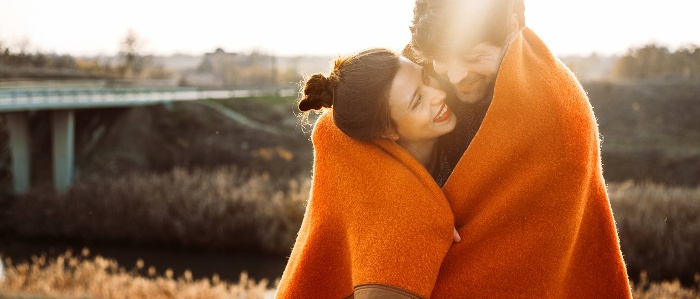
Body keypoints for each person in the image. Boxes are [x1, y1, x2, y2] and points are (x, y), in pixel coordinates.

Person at [404, 0, 633, 297]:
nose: (457, 75)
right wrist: (417, 205)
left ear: (513, 26)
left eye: (473, 56)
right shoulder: (425, 70)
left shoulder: (555, 113)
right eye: (443, 59)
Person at [276, 48, 460, 299]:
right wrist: (428, 213)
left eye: (426, 78)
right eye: (417, 101)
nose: (439, 94)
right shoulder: (389, 205)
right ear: (388, 131)